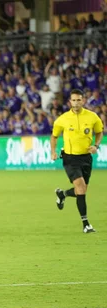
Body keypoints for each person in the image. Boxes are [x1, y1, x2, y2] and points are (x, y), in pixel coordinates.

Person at [52, 89, 103, 233]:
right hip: (70, 158)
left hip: (86, 158)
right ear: (70, 102)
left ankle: (63, 194)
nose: (76, 103)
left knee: (81, 190)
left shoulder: (93, 117)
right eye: (73, 100)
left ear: (83, 100)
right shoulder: (62, 119)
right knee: (80, 188)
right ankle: (86, 224)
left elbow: (99, 132)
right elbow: (54, 136)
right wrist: (53, 151)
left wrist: (96, 146)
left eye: (78, 100)